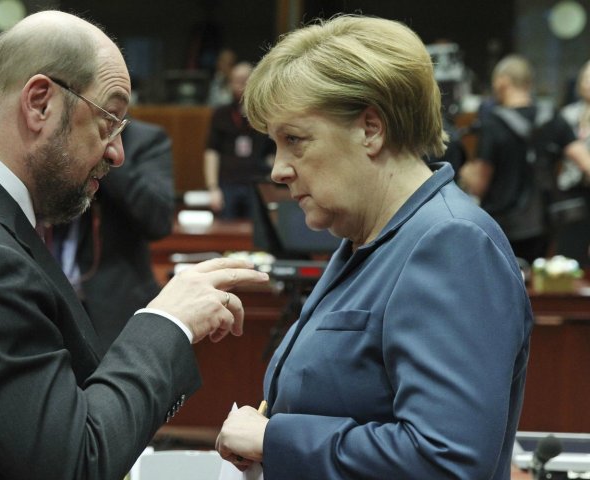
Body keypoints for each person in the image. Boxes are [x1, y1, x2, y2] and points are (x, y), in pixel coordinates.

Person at [0, 11, 269, 480]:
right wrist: (169, 322)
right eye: (109, 119)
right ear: (40, 103)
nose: (118, 152)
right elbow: (79, 462)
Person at [215, 15, 532, 479]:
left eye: (294, 141)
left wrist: (274, 439)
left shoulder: (452, 243)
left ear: (370, 129)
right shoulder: (366, 240)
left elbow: (448, 461)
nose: (279, 170)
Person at [50, 119, 175, 351]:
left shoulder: (145, 139)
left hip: (114, 306)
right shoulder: (55, 132)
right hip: (50, 301)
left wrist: (105, 155)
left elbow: (158, 222)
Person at [459, 54, 590, 262]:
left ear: (503, 81)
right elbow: (586, 163)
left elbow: (478, 186)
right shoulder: (552, 117)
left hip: (501, 227)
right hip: (543, 225)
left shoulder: (492, 123)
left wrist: (463, 169)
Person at [204, 61, 273, 219]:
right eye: (237, 80)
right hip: (228, 182)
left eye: (245, 79)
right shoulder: (221, 114)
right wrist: (212, 188)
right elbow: (212, 152)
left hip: (257, 182)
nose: (241, 85)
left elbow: (273, 152)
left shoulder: (265, 113)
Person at [553, 59, 590, 266]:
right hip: (570, 191)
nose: (587, 83)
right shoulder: (567, 114)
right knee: (570, 253)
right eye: (585, 77)